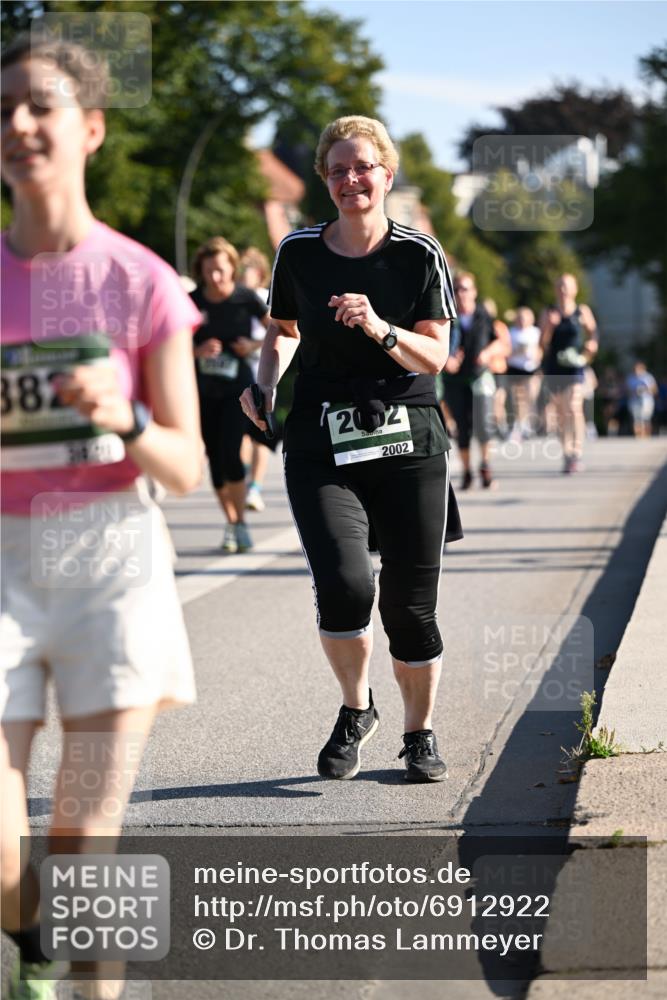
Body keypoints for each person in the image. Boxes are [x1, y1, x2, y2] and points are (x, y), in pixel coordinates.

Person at [0, 34, 202, 1000]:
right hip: (1, 561)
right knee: (5, 864)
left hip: (109, 558)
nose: (17, 125)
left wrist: (122, 417)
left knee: (87, 847)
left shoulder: (142, 282)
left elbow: (189, 466)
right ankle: (29, 932)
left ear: (90, 128)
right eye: (2, 109)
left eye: (37, 105)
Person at [242, 115, 461, 783]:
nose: (350, 179)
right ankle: (355, 706)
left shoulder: (418, 254)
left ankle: (418, 734)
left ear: (386, 174)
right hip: (322, 433)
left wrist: (377, 327)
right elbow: (282, 329)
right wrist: (264, 380)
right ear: (323, 180)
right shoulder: (298, 252)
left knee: (408, 604)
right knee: (343, 584)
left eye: (362, 166)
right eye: (336, 169)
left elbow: (437, 354)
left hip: (407, 435)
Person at [190, 237, 270, 552]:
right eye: (209, 271)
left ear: (232, 269)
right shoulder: (193, 300)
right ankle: (230, 521)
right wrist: (197, 350)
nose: (215, 277)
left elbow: (281, 330)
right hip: (204, 389)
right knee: (214, 459)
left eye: (221, 270)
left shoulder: (246, 298)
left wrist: (251, 346)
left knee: (231, 453)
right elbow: (170, 344)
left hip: (238, 389)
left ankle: (240, 525)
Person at [441, 273, 498, 489]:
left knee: (483, 424)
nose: (461, 293)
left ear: (474, 292)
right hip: (454, 379)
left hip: (480, 376)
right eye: (457, 289)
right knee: (462, 427)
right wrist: (446, 359)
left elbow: (499, 341)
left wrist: (488, 353)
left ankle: (485, 466)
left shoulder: (483, 315)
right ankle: (467, 472)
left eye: (465, 289)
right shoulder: (447, 317)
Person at [539, 274, 598, 473]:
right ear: (556, 290)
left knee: (574, 407)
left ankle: (577, 451)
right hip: (554, 367)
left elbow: (593, 333)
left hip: (575, 366)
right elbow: (542, 344)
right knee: (561, 412)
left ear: (574, 289)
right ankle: (566, 453)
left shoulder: (582, 311)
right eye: (560, 286)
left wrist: (592, 346)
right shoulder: (549, 312)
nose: (563, 290)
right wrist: (549, 327)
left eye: (567, 286)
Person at [238, 246, 272, 513]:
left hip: (264, 373)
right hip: (239, 373)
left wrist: (251, 345)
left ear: (258, 273)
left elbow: (280, 331)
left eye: (245, 270)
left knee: (260, 434)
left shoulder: (262, 298)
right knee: (242, 435)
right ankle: (247, 477)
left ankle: (254, 488)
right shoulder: (237, 299)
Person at [506, 306, 542, 439]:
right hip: (515, 367)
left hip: (531, 368)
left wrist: (536, 355)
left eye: (525, 317)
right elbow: (507, 350)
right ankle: (519, 424)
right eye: (520, 317)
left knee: (530, 396)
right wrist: (517, 351)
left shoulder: (536, 332)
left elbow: (541, 349)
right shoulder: (511, 332)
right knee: (518, 398)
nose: (522, 320)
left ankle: (527, 422)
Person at [626, 361, 657, 438]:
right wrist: (634, 392)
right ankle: (639, 436)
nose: (637, 371)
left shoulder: (648, 377)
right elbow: (627, 390)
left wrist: (645, 390)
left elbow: (655, 389)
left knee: (646, 418)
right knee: (637, 419)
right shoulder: (631, 378)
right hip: (635, 401)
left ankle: (647, 435)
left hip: (646, 400)